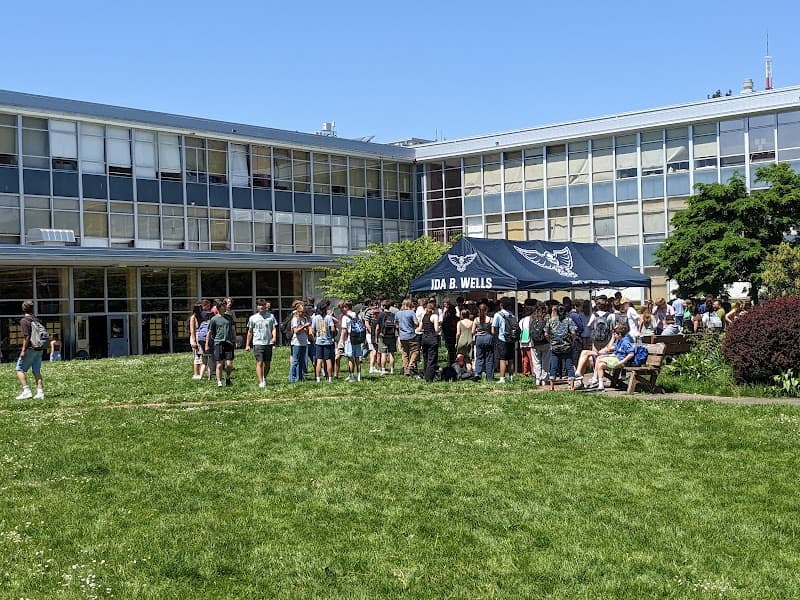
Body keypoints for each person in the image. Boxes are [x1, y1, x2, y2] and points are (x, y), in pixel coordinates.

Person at [589, 325, 635, 391]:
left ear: (619, 334)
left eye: (615, 334)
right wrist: (613, 338)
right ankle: (600, 384)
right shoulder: (619, 340)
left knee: (599, 361)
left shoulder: (625, 342)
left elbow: (631, 353)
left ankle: (596, 379)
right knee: (600, 362)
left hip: (620, 361)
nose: (614, 335)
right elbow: (609, 348)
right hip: (616, 358)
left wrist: (622, 362)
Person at [15, 301, 46, 400]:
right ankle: (40, 392)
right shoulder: (37, 320)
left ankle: (26, 391)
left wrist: (23, 350)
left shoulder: (24, 321)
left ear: (23, 309)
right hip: (39, 348)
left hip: (30, 348)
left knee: (19, 369)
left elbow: (26, 336)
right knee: (36, 370)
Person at [245, 299, 278, 388]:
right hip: (258, 342)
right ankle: (261, 382)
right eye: (259, 305)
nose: (261, 307)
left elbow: (274, 328)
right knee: (259, 362)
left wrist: (274, 337)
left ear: (265, 306)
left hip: (268, 342)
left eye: (263, 305)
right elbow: (250, 332)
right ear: (257, 307)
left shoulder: (270, 316)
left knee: (267, 363)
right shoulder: (253, 318)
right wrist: (247, 344)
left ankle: (264, 377)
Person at [545, 304, 577, 391]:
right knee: (569, 365)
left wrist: (551, 341)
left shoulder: (551, 321)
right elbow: (573, 333)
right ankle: (572, 386)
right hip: (566, 346)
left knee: (554, 366)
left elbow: (546, 334)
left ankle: (552, 386)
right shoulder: (569, 320)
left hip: (555, 346)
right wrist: (572, 341)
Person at [206, 300, 236, 387]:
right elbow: (210, 332)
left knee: (229, 364)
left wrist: (235, 339)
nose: (225, 308)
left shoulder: (229, 317)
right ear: (219, 308)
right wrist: (207, 344)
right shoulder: (214, 319)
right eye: (223, 307)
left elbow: (233, 329)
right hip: (219, 342)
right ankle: (219, 381)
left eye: (225, 306)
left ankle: (227, 377)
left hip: (229, 342)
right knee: (219, 363)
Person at [492, 297, 516, 384]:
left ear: (501, 305)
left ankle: (502, 378)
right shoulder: (512, 314)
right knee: (510, 359)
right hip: (511, 339)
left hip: (502, 339)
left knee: (502, 359)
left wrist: (495, 337)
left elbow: (493, 329)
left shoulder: (498, 315)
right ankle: (511, 377)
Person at [311, 301, 336, 382]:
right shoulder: (328, 317)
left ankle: (318, 378)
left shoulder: (315, 318)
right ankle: (329, 378)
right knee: (328, 360)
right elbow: (333, 329)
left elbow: (312, 330)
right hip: (328, 341)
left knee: (319, 360)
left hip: (318, 341)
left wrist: (316, 336)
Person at [396, 299, 420, 377]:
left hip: (402, 336)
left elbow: (395, 324)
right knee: (415, 351)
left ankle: (406, 369)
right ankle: (411, 366)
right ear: (409, 305)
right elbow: (416, 323)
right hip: (411, 335)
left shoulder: (398, 313)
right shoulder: (411, 312)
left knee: (405, 352)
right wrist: (413, 326)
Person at [289, 300, 310, 383]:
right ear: (298, 311)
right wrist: (304, 326)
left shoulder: (304, 318)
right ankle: (292, 378)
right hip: (296, 342)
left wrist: (307, 329)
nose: (303, 313)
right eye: (301, 312)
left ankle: (300, 377)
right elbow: (295, 331)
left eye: (304, 312)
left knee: (302, 361)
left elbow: (306, 330)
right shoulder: (295, 319)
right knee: (295, 361)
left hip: (304, 341)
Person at [420, 301, 441, 382]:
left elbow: (420, 328)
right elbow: (436, 329)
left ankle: (425, 375)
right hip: (432, 338)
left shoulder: (424, 316)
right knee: (431, 359)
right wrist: (439, 327)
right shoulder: (434, 316)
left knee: (425, 357)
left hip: (424, 338)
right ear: (433, 309)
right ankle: (429, 378)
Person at [375, 300, 397, 375]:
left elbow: (377, 327)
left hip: (383, 336)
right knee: (392, 353)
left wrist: (376, 336)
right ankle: (392, 370)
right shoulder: (393, 315)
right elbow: (396, 325)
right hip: (392, 336)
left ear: (383, 306)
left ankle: (383, 370)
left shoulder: (380, 315)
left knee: (383, 354)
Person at [188, 303, 204, 380]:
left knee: (202, 356)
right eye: (200, 308)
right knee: (196, 356)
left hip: (201, 337)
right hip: (196, 337)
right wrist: (194, 341)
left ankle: (201, 373)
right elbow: (192, 330)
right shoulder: (193, 317)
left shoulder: (201, 317)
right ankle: (196, 373)